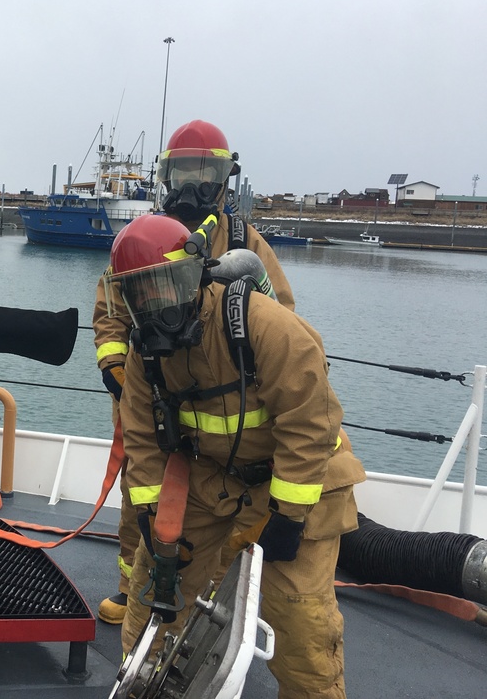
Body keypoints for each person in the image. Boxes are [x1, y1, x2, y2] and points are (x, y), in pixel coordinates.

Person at [110, 213, 365, 698]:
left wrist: (289, 516)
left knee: (298, 617)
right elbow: (141, 439)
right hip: (210, 481)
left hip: (300, 483)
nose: (154, 305)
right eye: (140, 293)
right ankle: (142, 688)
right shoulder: (145, 357)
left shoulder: (263, 326)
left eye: (165, 287)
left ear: (195, 274)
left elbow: (310, 423)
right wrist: (148, 513)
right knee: (157, 590)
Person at [93, 120, 295, 624]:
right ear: (165, 177)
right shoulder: (145, 241)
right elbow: (112, 314)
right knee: (140, 494)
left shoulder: (248, 243)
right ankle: (130, 584)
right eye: (182, 172)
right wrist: (124, 379)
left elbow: (285, 324)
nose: (192, 186)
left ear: (227, 177)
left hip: (227, 407)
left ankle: (213, 600)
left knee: (218, 512)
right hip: (156, 397)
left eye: (205, 172)